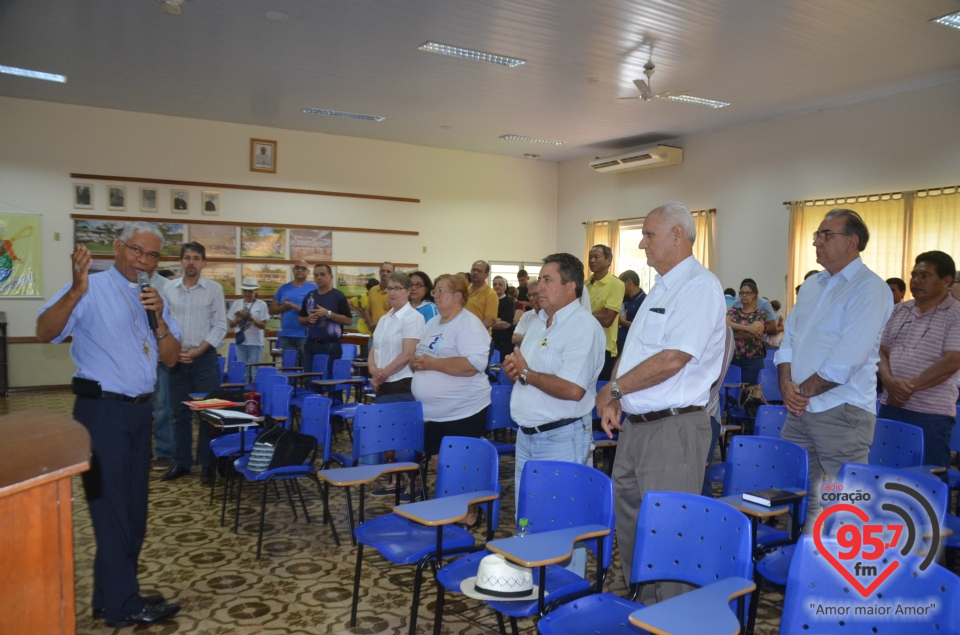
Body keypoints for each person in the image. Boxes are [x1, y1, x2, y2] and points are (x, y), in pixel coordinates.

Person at [37, 222, 182, 627]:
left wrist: (161, 321)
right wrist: (74, 291)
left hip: (139, 413)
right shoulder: (90, 288)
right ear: (118, 247)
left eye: (153, 256)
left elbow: (170, 358)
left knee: (132, 512)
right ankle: (124, 605)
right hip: (102, 413)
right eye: (138, 251)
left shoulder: (154, 297)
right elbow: (44, 332)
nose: (145, 262)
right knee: (112, 510)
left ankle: (109, 595)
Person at [594, 202, 726, 602]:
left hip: (674, 429)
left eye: (649, 234)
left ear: (677, 236)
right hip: (636, 426)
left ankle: (669, 615)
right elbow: (632, 353)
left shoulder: (700, 287)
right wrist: (617, 393)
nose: (642, 242)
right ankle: (642, 604)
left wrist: (613, 390)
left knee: (669, 531)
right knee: (632, 522)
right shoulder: (660, 289)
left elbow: (673, 358)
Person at [775, 209, 893, 531]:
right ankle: (807, 563)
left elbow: (846, 358)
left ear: (852, 242)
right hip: (801, 409)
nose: (817, 241)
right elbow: (789, 342)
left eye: (827, 235)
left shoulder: (870, 289)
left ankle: (842, 574)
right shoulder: (813, 285)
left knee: (843, 502)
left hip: (841, 414)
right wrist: (787, 384)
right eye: (817, 234)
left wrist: (800, 393)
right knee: (802, 494)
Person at [502, 253, 605, 576]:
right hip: (528, 437)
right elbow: (529, 374)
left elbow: (574, 390)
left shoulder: (583, 328)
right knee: (529, 516)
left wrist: (527, 373)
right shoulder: (537, 322)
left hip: (562, 438)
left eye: (548, 279)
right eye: (540, 278)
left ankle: (566, 595)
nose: (539, 286)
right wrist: (516, 372)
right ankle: (534, 583)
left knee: (563, 522)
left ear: (570, 286)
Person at [877, 251, 960, 474]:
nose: (916, 280)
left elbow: (951, 362)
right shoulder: (899, 310)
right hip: (891, 406)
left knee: (927, 479)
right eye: (914, 274)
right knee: (887, 471)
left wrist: (907, 388)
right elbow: (880, 352)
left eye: (925, 275)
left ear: (946, 281)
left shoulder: (956, 314)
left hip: (931, 413)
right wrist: (889, 382)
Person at [411, 274, 492, 492]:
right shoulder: (432, 322)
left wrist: (430, 364)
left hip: (462, 409)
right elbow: (421, 355)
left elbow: (471, 365)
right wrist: (415, 362)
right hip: (434, 412)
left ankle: (468, 512)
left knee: (459, 464)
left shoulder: (469, 325)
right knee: (438, 461)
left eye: (441, 291)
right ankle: (452, 505)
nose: (435, 295)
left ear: (457, 296)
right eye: (435, 291)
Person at [163, 241, 227, 484]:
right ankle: (181, 463)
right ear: (180, 261)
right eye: (187, 258)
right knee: (178, 414)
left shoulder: (214, 289)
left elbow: (220, 326)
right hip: (176, 360)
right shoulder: (168, 289)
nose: (191, 262)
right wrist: (173, 350)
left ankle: (208, 465)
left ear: (203, 263)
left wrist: (199, 350)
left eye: (196, 258)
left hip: (205, 360)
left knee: (208, 413)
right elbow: (162, 323)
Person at [299, 264, 352, 377]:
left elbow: (348, 321)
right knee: (310, 380)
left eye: (322, 274)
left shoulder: (338, 296)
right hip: (310, 344)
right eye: (316, 275)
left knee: (330, 381)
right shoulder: (310, 296)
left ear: (331, 277)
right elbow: (300, 319)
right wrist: (308, 319)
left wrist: (328, 314)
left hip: (331, 346)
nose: (319, 277)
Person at [148, 270, 175, 473]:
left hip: (159, 356)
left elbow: (173, 321)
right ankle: (142, 450)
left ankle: (164, 452)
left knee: (161, 408)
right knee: (137, 408)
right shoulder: (123, 284)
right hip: (134, 359)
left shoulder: (166, 286)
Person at [586, 244, 625, 381]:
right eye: (590, 257)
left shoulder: (616, 284)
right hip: (583, 345)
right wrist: (597, 313)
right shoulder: (585, 284)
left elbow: (607, 320)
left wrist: (584, 314)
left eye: (596, 257)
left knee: (600, 390)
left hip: (604, 348)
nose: (592, 260)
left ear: (609, 261)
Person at [270, 260, 317, 366]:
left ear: (308, 272)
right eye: (297, 267)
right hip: (287, 335)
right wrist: (283, 307)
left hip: (306, 336)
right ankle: (289, 383)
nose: (300, 270)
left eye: (303, 268)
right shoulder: (283, 288)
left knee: (307, 368)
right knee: (288, 369)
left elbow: (316, 313)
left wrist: (297, 308)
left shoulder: (314, 289)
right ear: (293, 270)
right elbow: (272, 310)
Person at [727, 280, 768, 385]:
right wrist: (749, 329)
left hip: (752, 360)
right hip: (733, 358)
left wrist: (732, 334)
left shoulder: (760, 313)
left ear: (754, 295)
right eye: (741, 293)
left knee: (749, 395)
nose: (744, 295)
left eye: (748, 293)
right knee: (731, 393)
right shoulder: (734, 311)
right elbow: (725, 324)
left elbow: (756, 332)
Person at [229, 277, 269, 384]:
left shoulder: (262, 305)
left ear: (255, 291)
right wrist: (238, 319)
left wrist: (251, 319)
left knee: (254, 372)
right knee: (243, 370)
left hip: (255, 342)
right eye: (245, 291)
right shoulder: (236, 303)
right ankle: (243, 393)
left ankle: (255, 394)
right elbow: (231, 324)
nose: (247, 293)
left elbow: (263, 325)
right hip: (240, 341)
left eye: (250, 291)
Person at [617, 270, 646, 358]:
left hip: (632, 351)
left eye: (620, 283)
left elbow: (643, 327)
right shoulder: (624, 299)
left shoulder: (644, 300)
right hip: (619, 347)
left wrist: (622, 322)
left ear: (629, 282)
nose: (618, 287)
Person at [465, 260, 499, 332]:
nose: (475, 273)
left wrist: (473, 332)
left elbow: (489, 321)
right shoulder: (465, 290)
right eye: (474, 270)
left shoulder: (491, 294)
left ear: (486, 275)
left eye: (479, 271)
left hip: (479, 338)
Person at [362, 262, 395, 333]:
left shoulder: (396, 292)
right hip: (373, 334)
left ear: (393, 274)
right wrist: (371, 325)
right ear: (380, 272)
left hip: (389, 334)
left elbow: (396, 315)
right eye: (382, 271)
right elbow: (367, 310)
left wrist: (377, 325)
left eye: (388, 271)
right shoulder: (372, 290)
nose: (385, 273)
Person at [491, 275, 516, 363]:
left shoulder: (509, 303)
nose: (497, 286)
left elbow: (506, 324)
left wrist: (487, 323)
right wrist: (496, 320)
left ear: (505, 287)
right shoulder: (489, 301)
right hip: (491, 340)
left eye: (500, 284)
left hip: (504, 343)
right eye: (495, 284)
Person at [513, 280, 539, 345]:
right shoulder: (526, 316)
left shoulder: (551, 316)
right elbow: (514, 338)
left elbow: (546, 343)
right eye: (529, 295)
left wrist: (523, 338)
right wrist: (536, 341)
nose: (531, 298)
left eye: (535, 295)